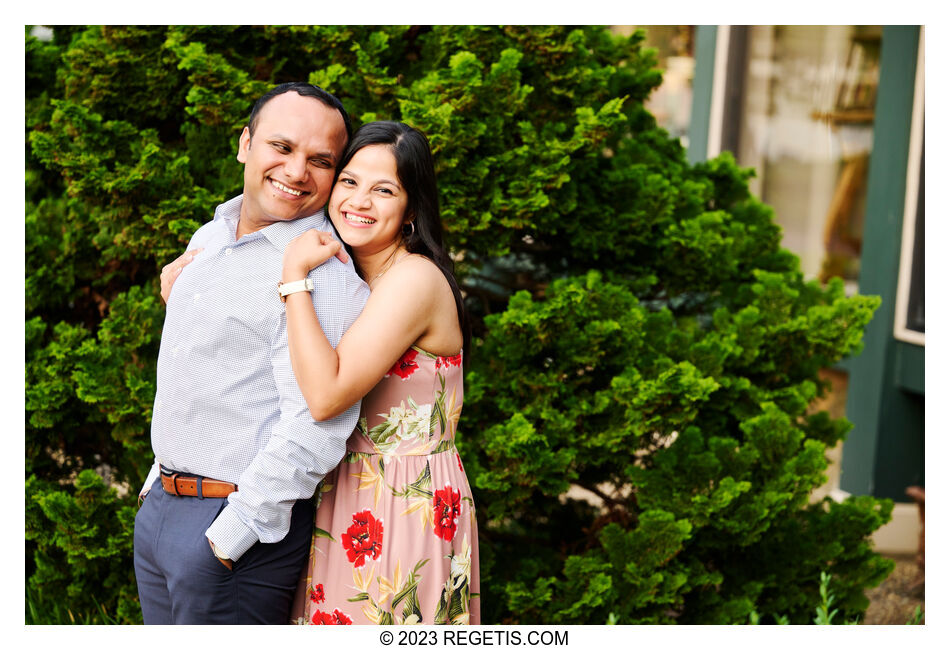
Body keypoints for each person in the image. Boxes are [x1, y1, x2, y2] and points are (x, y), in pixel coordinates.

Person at [133, 82, 370, 625]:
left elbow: (319, 417)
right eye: (281, 148)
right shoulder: (210, 237)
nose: (295, 171)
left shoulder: (318, 270)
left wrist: (230, 535)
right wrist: (155, 492)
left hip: (236, 534)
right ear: (245, 143)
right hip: (164, 510)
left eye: (319, 160)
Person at [280, 121, 480, 625]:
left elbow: (325, 396)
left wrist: (292, 280)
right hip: (344, 494)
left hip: (400, 504)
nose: (359, 201)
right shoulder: (348, 274)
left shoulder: (413, 278)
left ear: (411, 208)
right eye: (349, 182)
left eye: (383, 190)